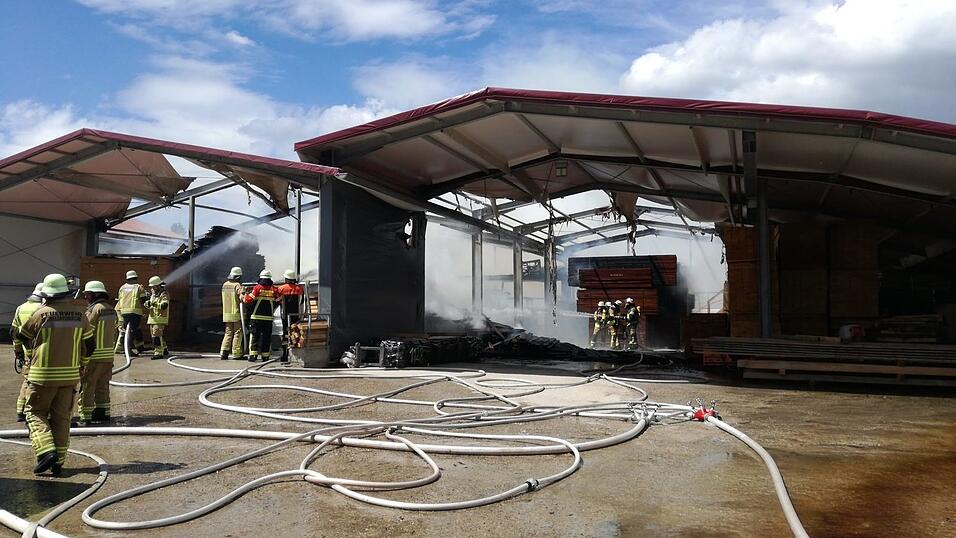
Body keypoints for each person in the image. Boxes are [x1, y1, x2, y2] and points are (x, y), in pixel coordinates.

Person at [15, 273, 93, 476]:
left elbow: (21, 335)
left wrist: (31, 353)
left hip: (42, 375)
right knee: (62, 418)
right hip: (69, 376)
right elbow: (90, 345)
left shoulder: (41, 313)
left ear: (47, 295)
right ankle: (58, 462)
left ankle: (46, 450)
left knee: (34, 412)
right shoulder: (80, 314)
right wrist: (82, 364)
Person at [78, 281, 117, 426]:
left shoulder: (94, 310)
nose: (86, 297)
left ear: (94, 294)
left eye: (87, 294)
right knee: (102, 385)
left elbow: (86, 332)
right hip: (108, 356)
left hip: (94, 356)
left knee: (88, 386)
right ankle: (103, 412)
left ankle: (85, 416)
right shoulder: (111, 309)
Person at [11, 283, 43, 422]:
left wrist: (18, 352)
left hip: (26, 352)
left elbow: (14, 333)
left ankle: (20, 411)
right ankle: (31, 410)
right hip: (40, 353)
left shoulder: (20, 308)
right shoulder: (42, 309)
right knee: (37, 384)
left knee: (27, 380)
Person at [243, 270, 278, 362]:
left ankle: (253, 355)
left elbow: (248, 300)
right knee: (266, 337)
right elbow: (278, 301)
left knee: (254, 336)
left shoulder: (257, 288)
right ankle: (265, 356)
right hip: (269, 318)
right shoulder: (274, 289)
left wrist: (245, 294)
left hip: (256, 317)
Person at [114, 270, 148, 356]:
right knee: (131, 331)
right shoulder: (139, 287)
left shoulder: (122, 287)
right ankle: (128, 351)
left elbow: (120, 299)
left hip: (123, 312)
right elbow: (144, 300)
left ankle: (139, 347)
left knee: (128, 330)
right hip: (134, 312)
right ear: (136, 278)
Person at [275, 269, 304, 363]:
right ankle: (295, 353)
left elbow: (277, 300)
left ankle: (285, 354)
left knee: (285, 333)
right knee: (296, 332)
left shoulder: (281, 288)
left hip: (284, 315)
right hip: (296, 315)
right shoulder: (299, 289)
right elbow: (302, 302)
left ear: (286, 278)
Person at [220, 266, 245, 361]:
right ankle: (236, 354)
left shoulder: (224, 285)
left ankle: (223, 353)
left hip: (226, 313)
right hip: (236, 313)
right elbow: (243, 299)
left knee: (228, 333)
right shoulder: (238, 285)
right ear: (238, 277)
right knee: (237, 333)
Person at [145, 276, 170, 360]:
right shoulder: (153, 293)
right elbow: (149, 303)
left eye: (153, 286)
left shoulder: (164, 294)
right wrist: (147, 304)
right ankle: (165, 349)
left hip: (160, 318)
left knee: (156, 335)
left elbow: (164, 305)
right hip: (152, 318)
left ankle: (158, 353)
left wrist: (153, 304)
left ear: (158, 285)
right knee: (156, 335)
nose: (152, 288)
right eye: (151, 287)